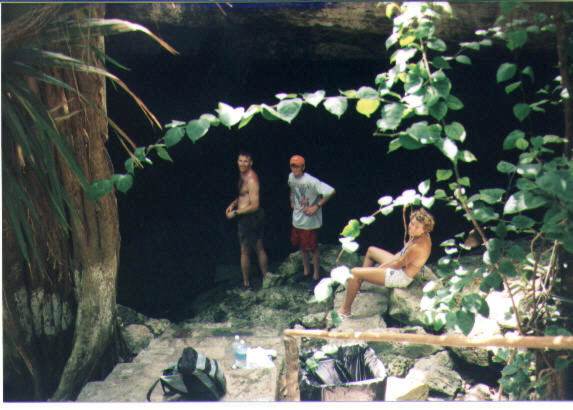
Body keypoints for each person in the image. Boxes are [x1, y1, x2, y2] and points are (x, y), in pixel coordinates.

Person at [338, 208, 435, 317]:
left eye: (417, 227)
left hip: (401, 276)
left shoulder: (418, 247)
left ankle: (345, 310)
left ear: (425, 229)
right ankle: (358, 283)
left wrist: (378, 269)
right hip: (400, 263)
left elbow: (397, 265)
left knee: (354, 272)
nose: (412, 227)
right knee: (371, 250)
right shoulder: (420, 234)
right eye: (412, 223)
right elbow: (400, 256)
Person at [288, 154, 335, 283]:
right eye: (292, 166)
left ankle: (316, 275)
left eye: (297, 166)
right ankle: (306, 271)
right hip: (297, 218)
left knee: (313, 248)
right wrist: (292, 200)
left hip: (309, 221)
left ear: (303, 167)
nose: (294, 168)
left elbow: (330, 191)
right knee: (302, 247)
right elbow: (292, 188)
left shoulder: (311, 181)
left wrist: (316, 206)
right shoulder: (291, 177)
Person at [226, 151, 269, 290]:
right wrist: (234, 203)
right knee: (257, 247)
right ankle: (265, 277)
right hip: (247, 215)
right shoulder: (242, 175)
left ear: (251, 163)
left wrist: (235, 213)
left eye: (245, 161)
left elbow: (255, 205)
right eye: (240, 160)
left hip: (251, 217)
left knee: (246, 250)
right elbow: (244, 195)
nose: (242, 163)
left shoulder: (251, 179)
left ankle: (247, 283)